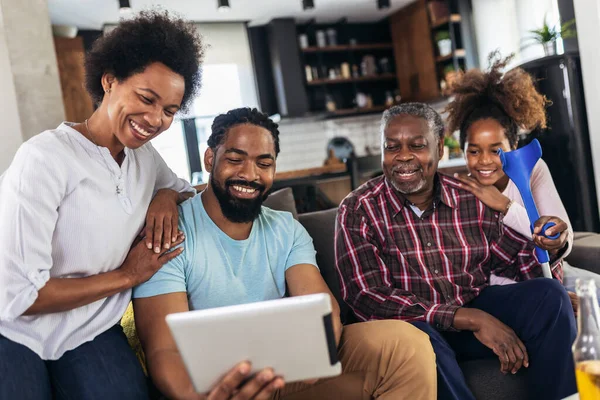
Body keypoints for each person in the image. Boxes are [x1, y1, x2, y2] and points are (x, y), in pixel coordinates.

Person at [133, 107, 437, 400]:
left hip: (286, 372)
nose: (249, 174)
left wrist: (318, 353)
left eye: (263, 164)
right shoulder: (170, 231)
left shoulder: (285, 229)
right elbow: (163, 349)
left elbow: (321, 307)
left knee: (408, 345)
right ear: (210, 158)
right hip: (215, 384)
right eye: (236, 159)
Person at [0, 11, 203, 399]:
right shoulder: (44, 158)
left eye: (170, 111)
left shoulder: (145, 159)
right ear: (109, 80)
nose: (155, 119)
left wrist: (166, 195)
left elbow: (188, 189)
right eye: (146, 98)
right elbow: (20, 296)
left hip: (89, 328)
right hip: (13, 328)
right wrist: (128, 275)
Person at [335, 102, 577, 400]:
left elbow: (517, 262)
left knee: (550, 298)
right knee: (421, 341)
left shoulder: (468, 196)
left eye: (417, 145)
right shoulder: (358, 209)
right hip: (414, 327)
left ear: (439, 147)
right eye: (392, 146)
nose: (404, 156)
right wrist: (470, 318)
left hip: (471, 308)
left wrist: (549, 245)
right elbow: (367, 297)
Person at [444, 53, 573, 287]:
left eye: (496, 151)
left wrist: (505, 206)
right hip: (514, 291)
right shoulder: (461, 193)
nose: (484, 161)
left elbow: (564, 240)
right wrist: (546, 297)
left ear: (513, 146)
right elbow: (479, 275)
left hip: (553, 273)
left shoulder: (533, 170)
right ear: (463, 151)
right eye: (473, 151)